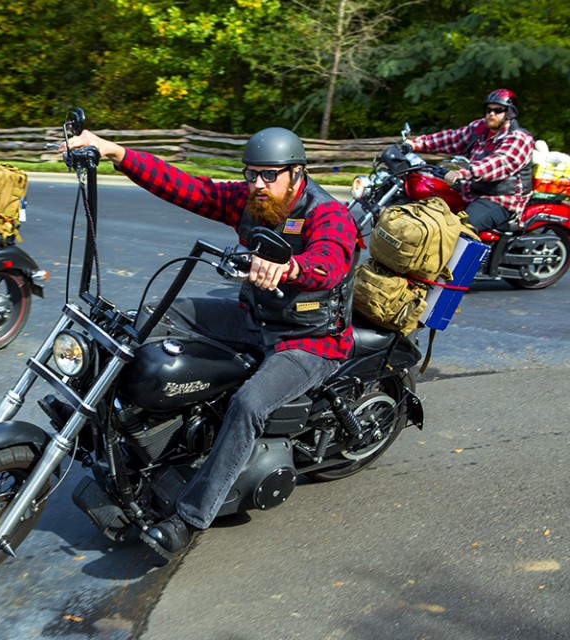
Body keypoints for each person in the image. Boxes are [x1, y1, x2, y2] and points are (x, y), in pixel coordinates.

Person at [64, 127, 357, 561]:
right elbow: (187, 188)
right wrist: (115, 152)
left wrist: (290, 267)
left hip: (310, 339)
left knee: (249, 404)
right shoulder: (251, 200)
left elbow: (328, 263)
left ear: (296, 173)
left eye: (269, 175)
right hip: (254, 317)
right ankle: (138, 430)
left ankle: (189, 517)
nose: (257, 184)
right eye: (251, 174)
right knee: (156, 314)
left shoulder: (326, 213)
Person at [411, 88, 534, 231]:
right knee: (428, 207)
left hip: (500, 200)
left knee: (460, 227)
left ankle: (457, 254)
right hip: (469, 192)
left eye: (498, 110)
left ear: (510, 113)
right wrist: (415, 143)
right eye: (488, 110)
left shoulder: (519, 138)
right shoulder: (480, 128)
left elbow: (499, 163)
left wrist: (464, 172)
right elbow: (452, 138)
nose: (491, 114)